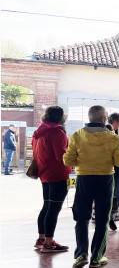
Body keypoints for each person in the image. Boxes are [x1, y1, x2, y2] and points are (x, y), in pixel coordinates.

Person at [63, 105, 119, 268]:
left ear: (90, 118)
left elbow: (68, 161)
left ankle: (81, 254)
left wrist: (83, 161)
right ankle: (96, 257)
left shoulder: (77, 136)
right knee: (102, 218)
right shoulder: (113, 138)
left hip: (84, 178)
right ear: (104, 119)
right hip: (105, 179)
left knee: (82, 218)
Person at [33, 106, 72, 252]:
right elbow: (61, 157)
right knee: (54, 209)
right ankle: (49, 243)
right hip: (57, 175)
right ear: (60, 117)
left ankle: (41, 239)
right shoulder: (57, 133)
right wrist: (72, 159)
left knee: (47, 206)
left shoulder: (39, 132)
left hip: (44, 173)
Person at [107, 113, 119, 228]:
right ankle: (110, 218)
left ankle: (111, 217)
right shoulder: (112, 135)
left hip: (115, 170)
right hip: (111, 170)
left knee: (115, 197)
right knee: (112, 196)